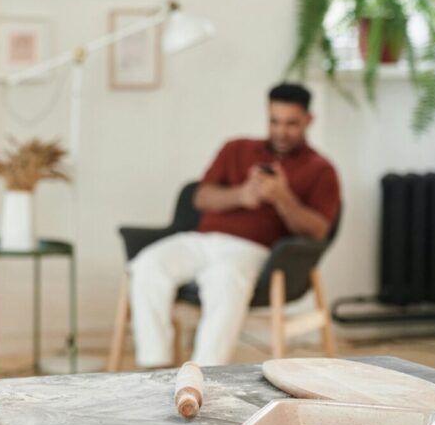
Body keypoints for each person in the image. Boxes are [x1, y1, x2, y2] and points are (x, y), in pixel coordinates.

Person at [129, 83, 341, 367]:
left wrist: (282, 197)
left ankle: (202, 375)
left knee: (224, 281)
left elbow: (318, 231)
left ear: (308, 120)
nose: (281, 131)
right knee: (147, 264)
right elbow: (202, 197)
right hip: (201, 240)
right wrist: (242, 194)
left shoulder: (321, 170)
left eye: (291, 124)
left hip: (252, 251)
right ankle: (155, 366)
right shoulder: (236, 149)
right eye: (274, 121)